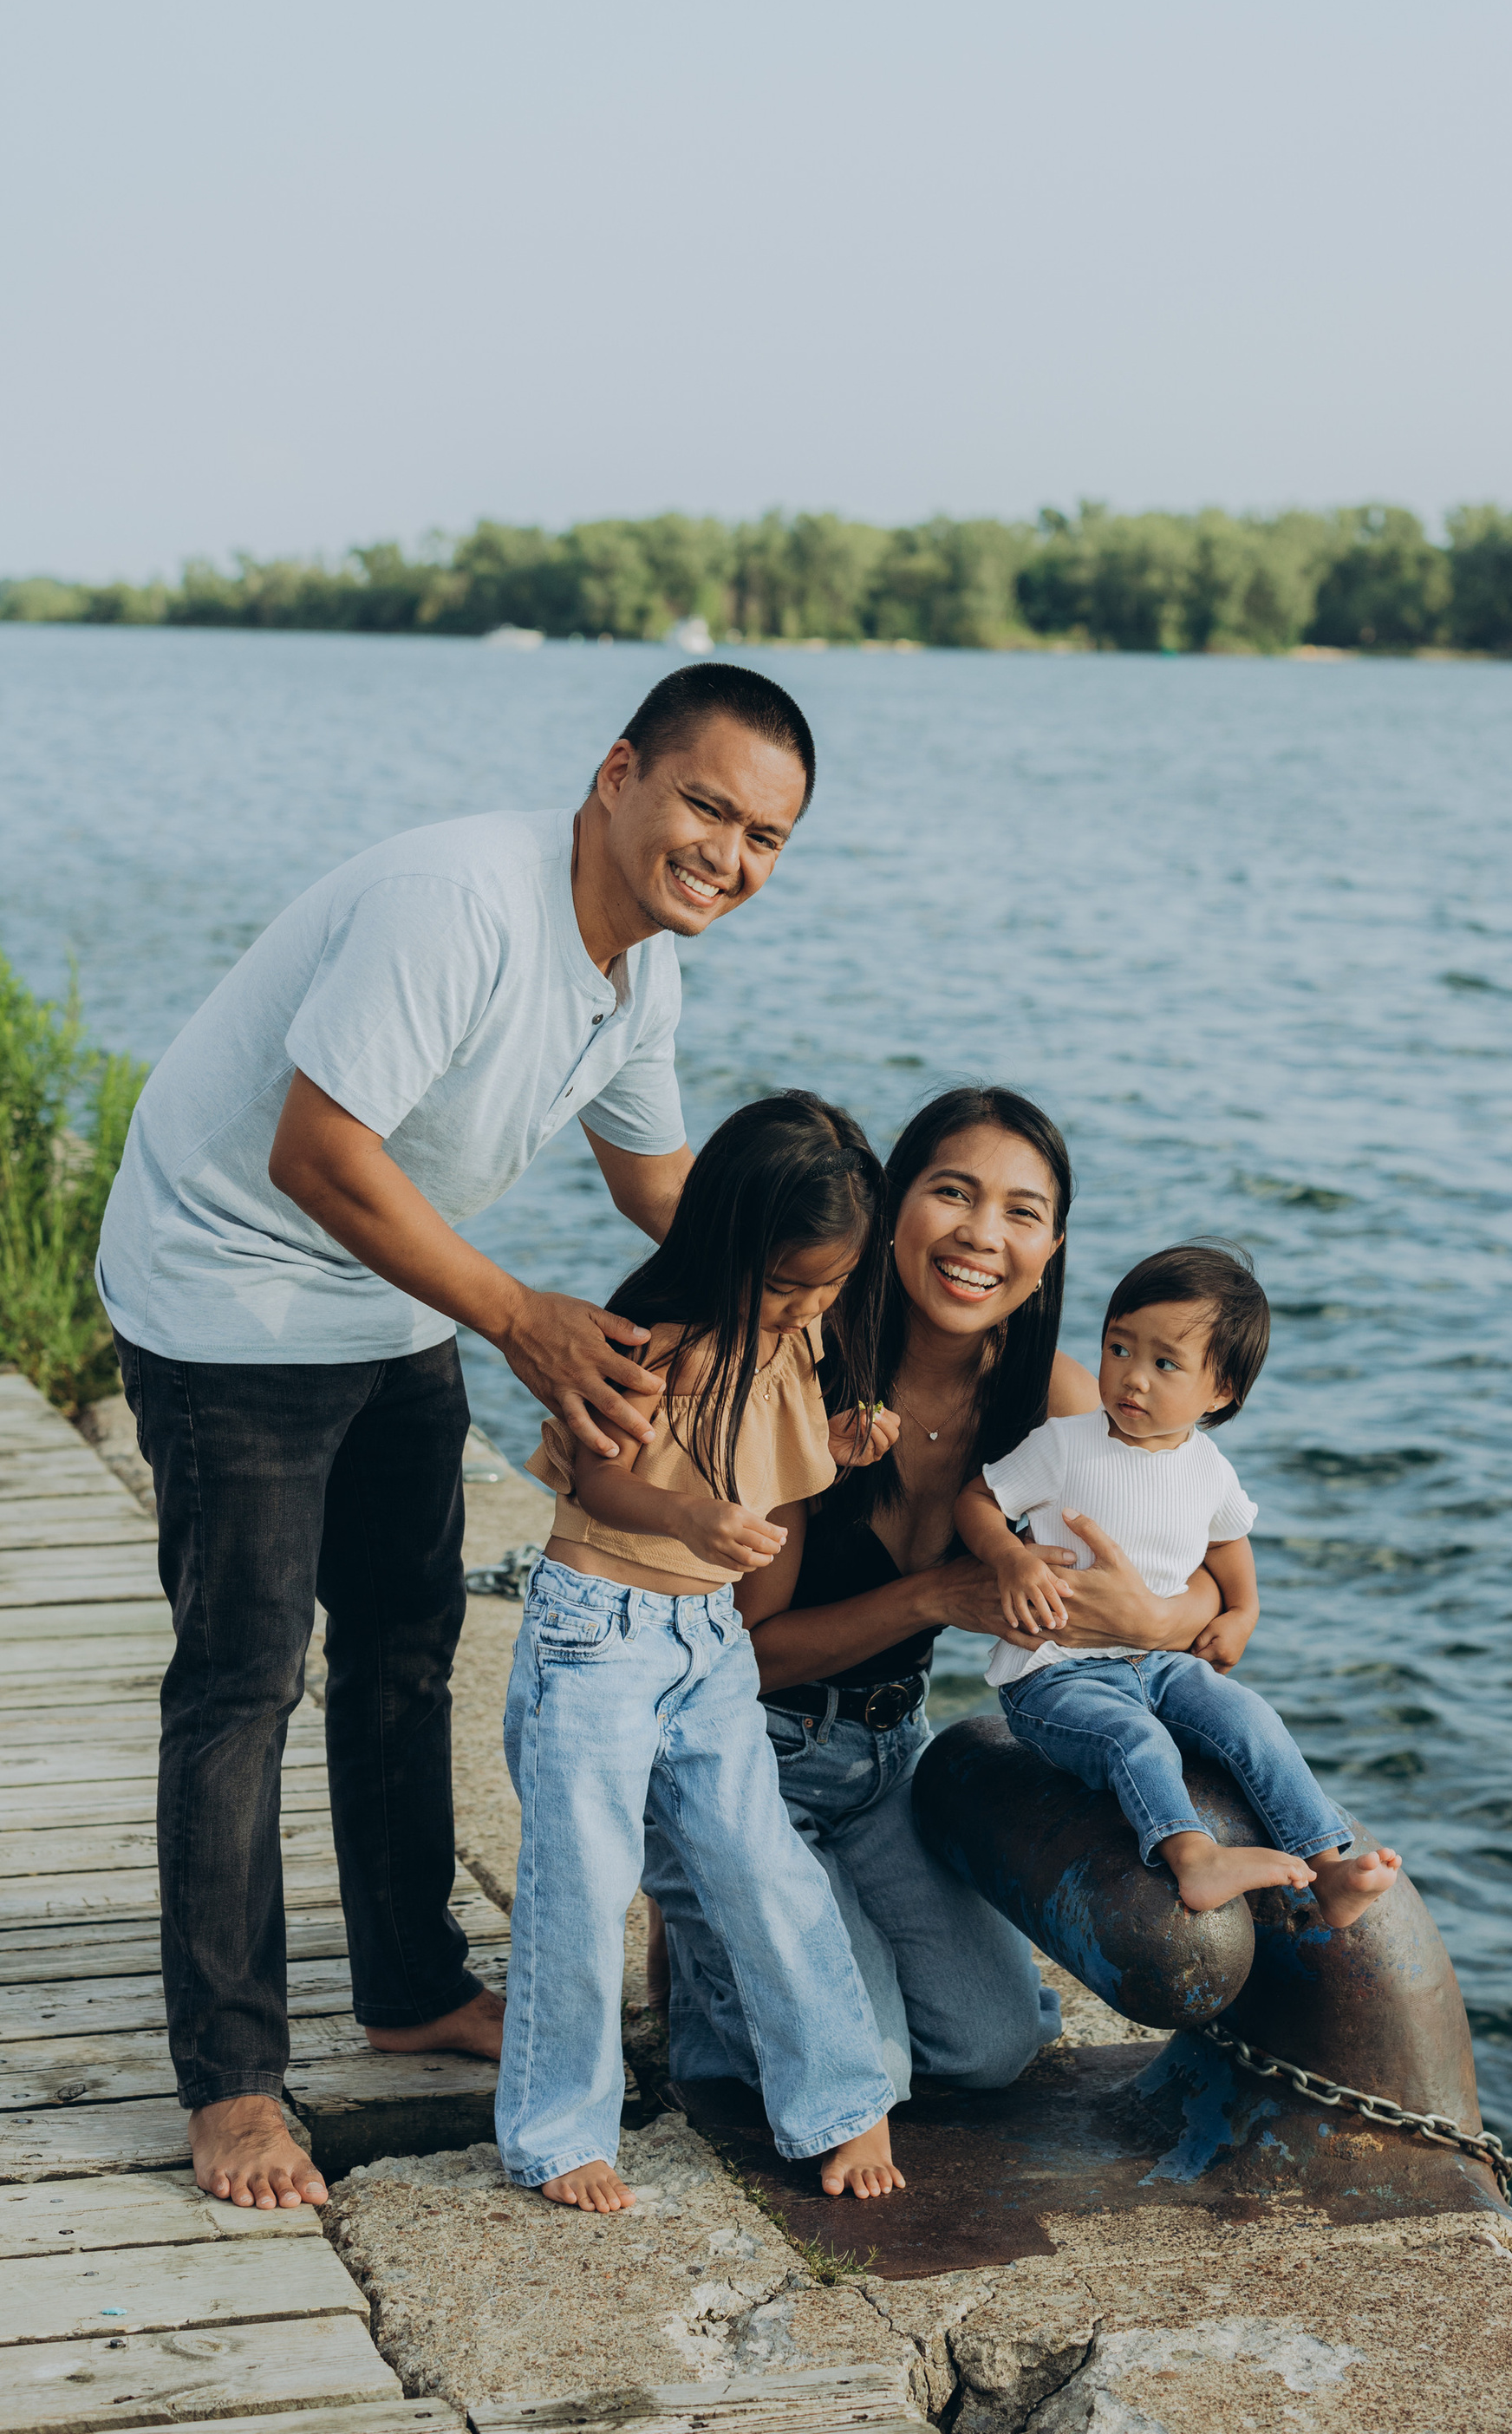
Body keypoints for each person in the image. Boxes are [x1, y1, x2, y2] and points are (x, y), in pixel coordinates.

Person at [94, 661, 817, 2212]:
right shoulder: (463, 906)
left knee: (409, 1638)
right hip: (229, 1284)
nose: (729, 855)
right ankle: (231, 2082)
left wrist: (817, 1306)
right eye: (707, 806)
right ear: (618, 773)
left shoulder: (639, 972)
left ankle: (411, 1987)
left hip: (383, 1284)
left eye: (765, 837)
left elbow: (661, 1191)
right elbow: (311, 1153)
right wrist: (519, 1318)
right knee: (243, 1678)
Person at [643, 1086, 1235, 2108]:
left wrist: (1155, 1620)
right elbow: (749, 1654)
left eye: (1021, 1212)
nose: (981, 1236)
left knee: (990, 2048)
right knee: (865, 2074)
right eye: (952, 1193)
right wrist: (936, 1597)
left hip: (887, 1762)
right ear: (890, 1207)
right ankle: (699, 1905)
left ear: (1050, 1249)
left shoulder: (1054, 1401)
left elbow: (1207, 1583)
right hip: (743, 1746)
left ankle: (770, 1940)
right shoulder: (804, 1365)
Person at [501, 1092, 907, 2212]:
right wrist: (686, 1519)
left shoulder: (795, 1334)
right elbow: (598, 1480)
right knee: (582, 1881)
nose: (807, 1309)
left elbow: (765, 1441)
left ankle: (840, 2100)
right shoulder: (652, 1340)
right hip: (599, 1632)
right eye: (786, 1286)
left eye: (829, 1286)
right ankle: (559, 2130)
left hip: (708, 1640)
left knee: (762, 1864)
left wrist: (840, 1441)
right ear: (729, 1243)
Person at [958, 1243, 1403, 1926]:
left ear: (1220, 1392)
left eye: (1165, 1364)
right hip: (1053, 1674)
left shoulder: (1208, 1469)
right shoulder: (1065, 1445)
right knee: (1135, 1739)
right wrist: (1009, 1558)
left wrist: (1244, 1612)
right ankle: (1193, 1857)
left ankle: (1328, 1867)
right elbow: (978, 1500)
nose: (1132, 1378)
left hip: (1161, 1663)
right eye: (1118, 1348)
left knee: (1250, 1719)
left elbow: (1227, 1543)